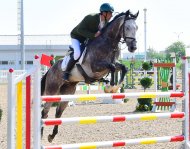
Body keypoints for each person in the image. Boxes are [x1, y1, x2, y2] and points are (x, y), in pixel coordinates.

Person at [63, 3, 114, 82]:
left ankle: (98, 75)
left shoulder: (106, 23)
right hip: (77, 37)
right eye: (110, 13)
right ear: (104, 13)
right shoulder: (91, 17)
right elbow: (80, 30)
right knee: (77, 54)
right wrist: (93, 35)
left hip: (88, 39)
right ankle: (66, 72)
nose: (111, 15)